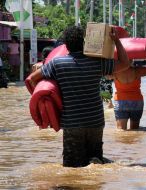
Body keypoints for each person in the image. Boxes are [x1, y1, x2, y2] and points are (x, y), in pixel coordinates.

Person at [29, 25, 130, 167]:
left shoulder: (57, 64)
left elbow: (32, 79)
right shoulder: (97, 62)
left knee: (72, 168)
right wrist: (116, 41)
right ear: (84, 42)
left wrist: (45, 104)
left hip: (72, 123)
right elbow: (125, 63)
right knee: (95, 162)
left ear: (66, 45)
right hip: (95, 122)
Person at [112, 46, 146, 130]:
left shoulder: (115, 72)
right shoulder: (137, 71)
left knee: (121, 131)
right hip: (136, 101)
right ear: (132, 59)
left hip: (120, 101)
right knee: (135, 131)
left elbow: (102, 72)